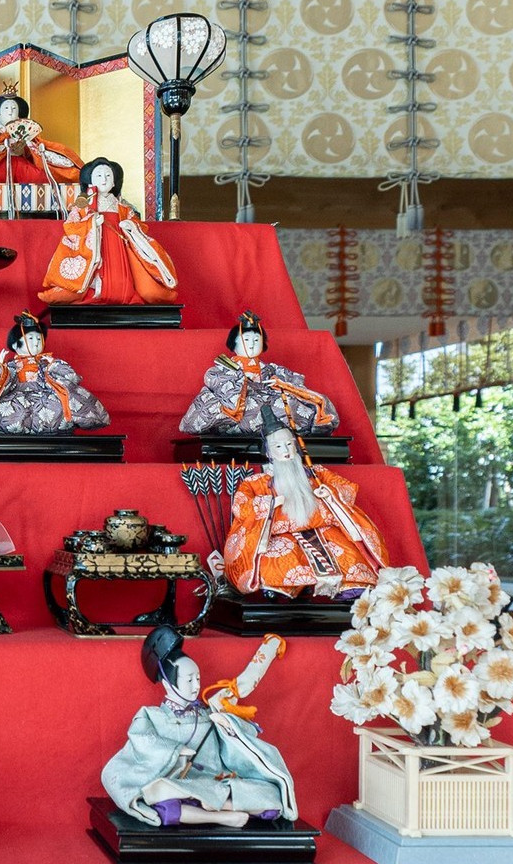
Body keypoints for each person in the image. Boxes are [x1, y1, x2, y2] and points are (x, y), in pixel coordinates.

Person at [103, 626, 297, 829]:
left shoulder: (208, 712)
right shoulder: (152, 716)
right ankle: (223, 815)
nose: (196, 686)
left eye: (197, 678)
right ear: (168, 684)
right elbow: (142, 741)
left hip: (215, 781)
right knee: (159, 796)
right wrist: (175, 750)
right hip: (179, 784)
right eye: (189, 680)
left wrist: (228, 726)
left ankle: (220, 805)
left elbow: (243, 689)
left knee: (272, 798)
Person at [222, 407, 386, 599]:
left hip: (322, 530)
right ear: (268, 452)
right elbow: (241, 507)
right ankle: (289, 586)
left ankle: (346, 585)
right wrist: (269, 504)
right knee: (278, 562)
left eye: (289, 444)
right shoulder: (256, 482)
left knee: (349, 555)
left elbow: (346, 490)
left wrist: (329, 494)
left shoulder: (316, 473)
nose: (286, 451)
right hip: (278, 536)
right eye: (278, 447)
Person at [39, 157, 177, 306]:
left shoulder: (123, 207)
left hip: (118, 245)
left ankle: (123, 293)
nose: (104, 180)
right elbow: (71, 225)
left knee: (122, 277)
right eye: (99, 175)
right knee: (94, 277)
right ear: (90, 181)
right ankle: (96, 293)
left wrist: (131, 226)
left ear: (114, 182)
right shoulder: (83, 206)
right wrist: (91, 223)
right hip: (96, 246)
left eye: (108, 176)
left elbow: (140, 227)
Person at [180, 311, 339, 436]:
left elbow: (295, 384)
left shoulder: (272, 369)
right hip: (240, 405)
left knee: (288, 403)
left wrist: (280, 384)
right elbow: (216, 384)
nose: (252, 345)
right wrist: (240, 380)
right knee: (251, 409)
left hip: (272, 403)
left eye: (256, 340)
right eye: (246, 340)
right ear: (233, 344)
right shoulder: (223, 368)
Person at [0, 312, 109, 435]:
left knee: (59, 408)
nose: (36, 342)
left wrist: (54, 366)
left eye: (38, 338)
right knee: (6, 410)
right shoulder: (11, 366)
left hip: (45, 393)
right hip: (16, 393)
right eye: (30, 338)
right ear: (15, 344)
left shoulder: (46, 364)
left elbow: (71, 378)